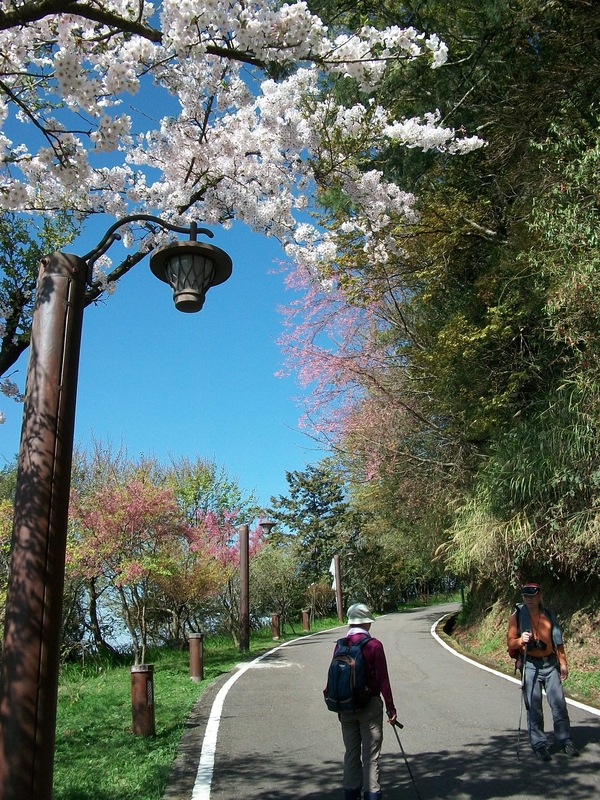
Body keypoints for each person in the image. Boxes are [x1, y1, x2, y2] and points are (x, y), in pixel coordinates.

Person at [507, 582, 579, 761]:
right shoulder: (516, 617)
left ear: (540, 596)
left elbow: (558, 641)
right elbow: (510, 642)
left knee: (559, 705)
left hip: (550, 664)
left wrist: (563, 663)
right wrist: (520, 640)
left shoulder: (548, 615)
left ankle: (565, 740)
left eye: (532, 596)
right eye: (525, 596)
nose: (529, 599)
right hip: (530, 665)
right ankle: (539, 745)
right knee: (534, 708)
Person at [336, 602, 397, 800]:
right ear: (366, 622)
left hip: (346, 707)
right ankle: (372, 795)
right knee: (371, 757)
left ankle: (351, 795)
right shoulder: (374, 645)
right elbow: (383, 679)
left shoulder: (341, 645)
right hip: (370, 706)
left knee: (351, 754)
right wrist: (390, 708)